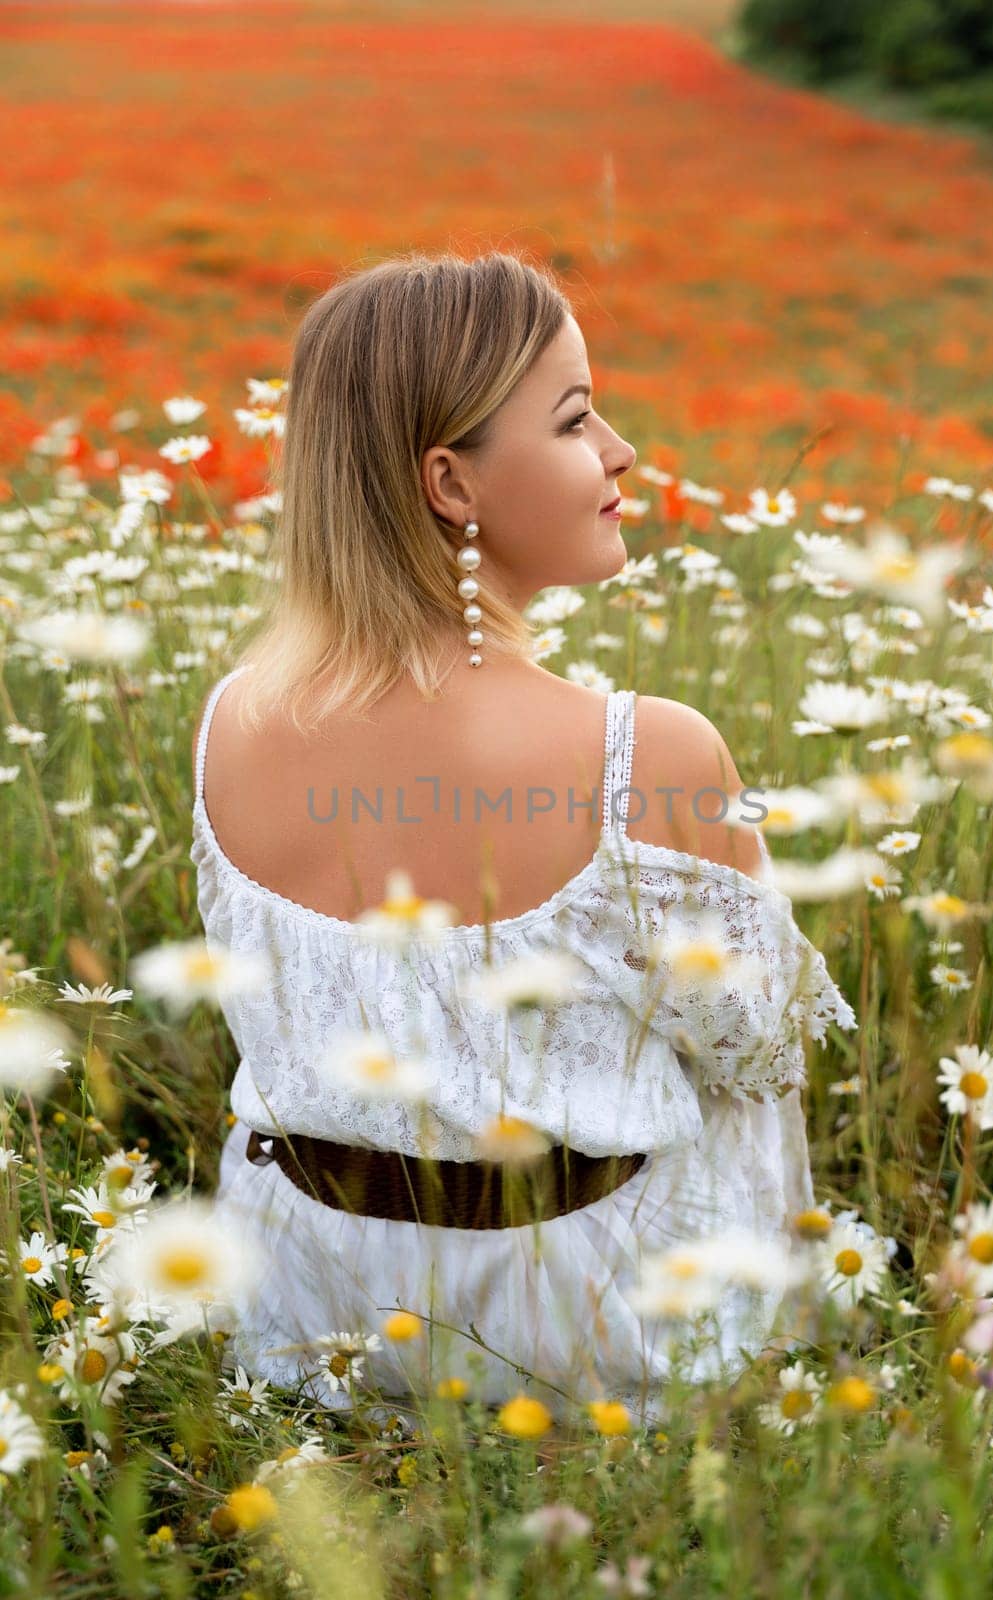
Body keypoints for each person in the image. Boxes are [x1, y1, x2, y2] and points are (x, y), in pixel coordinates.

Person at [191, 250, 856, 1431]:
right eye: (575, 417)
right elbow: (757, 1055)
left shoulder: (231, 722)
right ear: (449, 481)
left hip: (303, 1321)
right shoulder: (650, 754)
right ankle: (761, 1374)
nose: (621, 453)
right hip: (589, 1346)